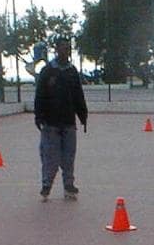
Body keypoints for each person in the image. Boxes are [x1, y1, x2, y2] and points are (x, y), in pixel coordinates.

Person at [34, 37, 88, 201]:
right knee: (51, 158)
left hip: (68, 122)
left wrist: (83, 115)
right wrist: (39, 116)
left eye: (68, 48)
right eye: (64, 48)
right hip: (51, 123)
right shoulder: (48, 71)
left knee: (68, 157)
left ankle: (69, 187)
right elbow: (40, 95)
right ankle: (46, 186)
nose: (67, 51)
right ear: (56, 50)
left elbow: (78, 95)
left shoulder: (72, 72)